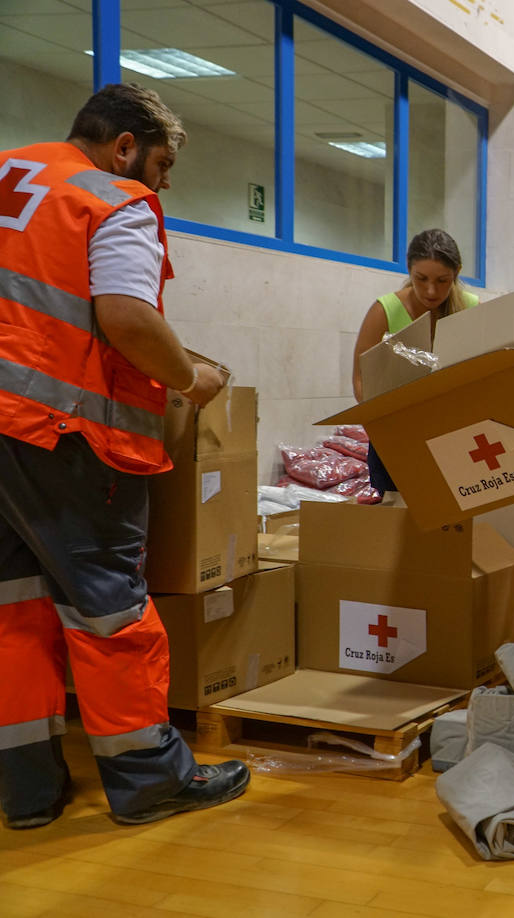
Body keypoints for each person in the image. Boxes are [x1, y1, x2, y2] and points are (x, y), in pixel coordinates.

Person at [0, 83, 249, 829]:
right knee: (111, 609)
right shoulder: (111, 199)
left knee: (12, 610)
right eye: (163, 163)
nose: (164, 182)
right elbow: (128, 318)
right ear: (124, 147)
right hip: (63, 437)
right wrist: (190, 378)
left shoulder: (11, 173)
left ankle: (27, 790)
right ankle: (150, 780)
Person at [351, 228, 475, 491]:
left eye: (443, 280)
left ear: (457, 273)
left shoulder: (470, 308)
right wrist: (383, 430)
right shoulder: (384, 311)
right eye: (421, 279)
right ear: (408, 270)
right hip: (395, 439)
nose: (431, 291)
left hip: (452, 436)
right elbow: (361, 381)